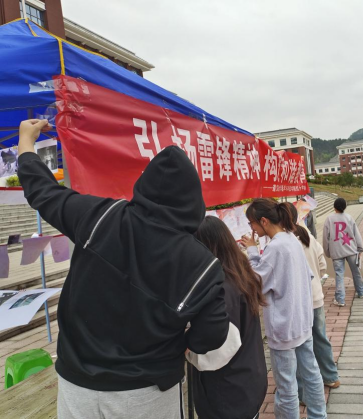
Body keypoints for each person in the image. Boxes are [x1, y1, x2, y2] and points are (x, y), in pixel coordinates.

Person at [17, 120, 231, 418]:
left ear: (144, 184)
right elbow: (212, 335)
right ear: (194, 199)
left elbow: (43, 192)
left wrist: (26, 143)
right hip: (148, 394)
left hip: (77, 388)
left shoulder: (100, 216)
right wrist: (180, 344)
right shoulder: (203, 265)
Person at [240, 198, 326, 419]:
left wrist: (252, 252)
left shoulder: (276, 247)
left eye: (252, 223)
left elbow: (257, 282)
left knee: (286, 387)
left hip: (284, 326)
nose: (252, 229)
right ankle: (318, 415)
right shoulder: (291, 239)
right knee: (311, 373)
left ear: (264, 221)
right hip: (302, 320)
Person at [191, 216, 268, 419]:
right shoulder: (240, 274)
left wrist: (187, 347)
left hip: (227, 392)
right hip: (247, 379)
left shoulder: (221, 289)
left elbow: (217, 351)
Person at [286, 204, 341, 394]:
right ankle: (331, 377)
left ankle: (302, 390)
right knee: (320, 338)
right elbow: (322, 265)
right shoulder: (307, 235)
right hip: (316, 297)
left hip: (298, 302)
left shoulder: (286, 242)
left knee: (299, 345)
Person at [323, 198, 363, 307]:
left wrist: (327, 251)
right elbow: (356, 234)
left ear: (334, 207)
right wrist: (360, 248)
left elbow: (325, 238)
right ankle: (361, 291)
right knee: (356, 272)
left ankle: (340, 299)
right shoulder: (349, 217)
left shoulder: (329, 219)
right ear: (345, 207)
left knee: (339, 275)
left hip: (336, 251)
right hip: (351, 249)